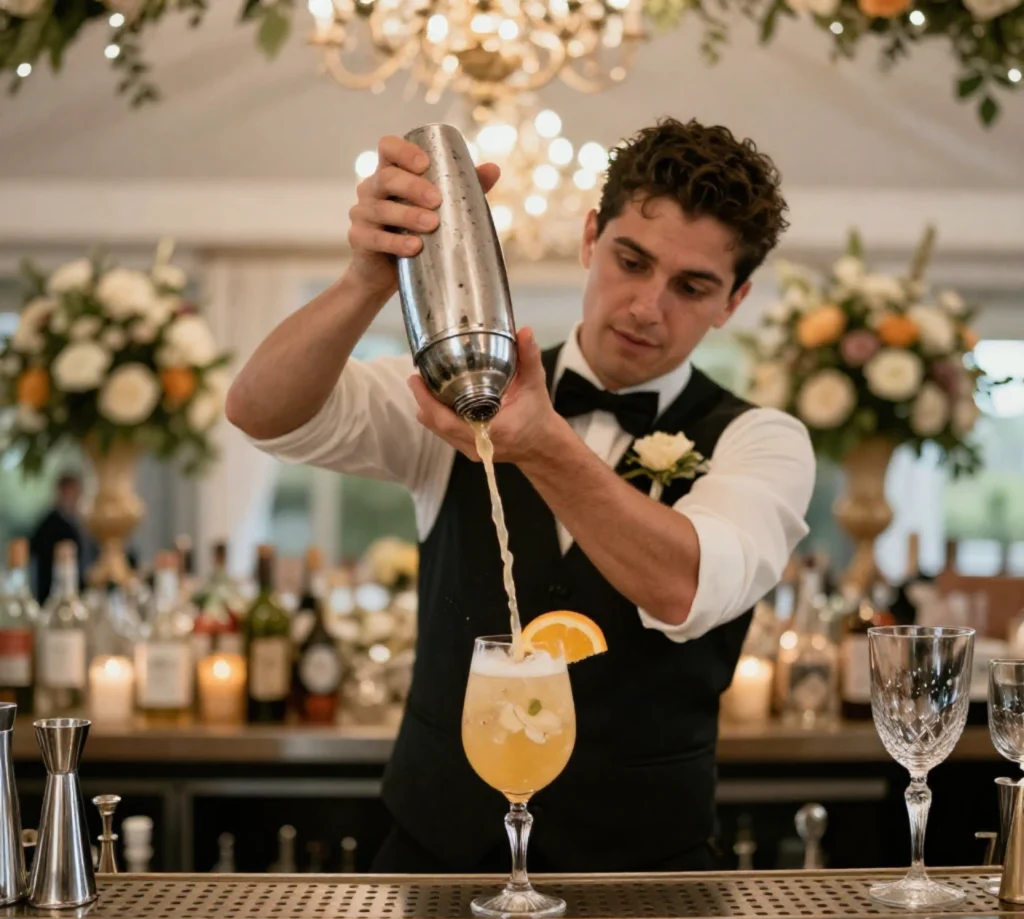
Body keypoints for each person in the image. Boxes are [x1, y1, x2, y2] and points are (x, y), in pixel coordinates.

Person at [228, 117, 816, 873]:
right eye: (630, 261)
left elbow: (684, 586)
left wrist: (542, 443)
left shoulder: (763, 440)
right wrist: (369, 280)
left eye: (691, 286)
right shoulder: (461, 383)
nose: (646, 305)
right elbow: (261, 413)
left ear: (732, 302)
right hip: (434, 864)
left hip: (649, 882)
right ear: (588, 239)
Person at [29, 472, 89, 603]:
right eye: (72, 492)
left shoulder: (75, 522)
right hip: (51, 592)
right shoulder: (50, 524)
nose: (75, 497)